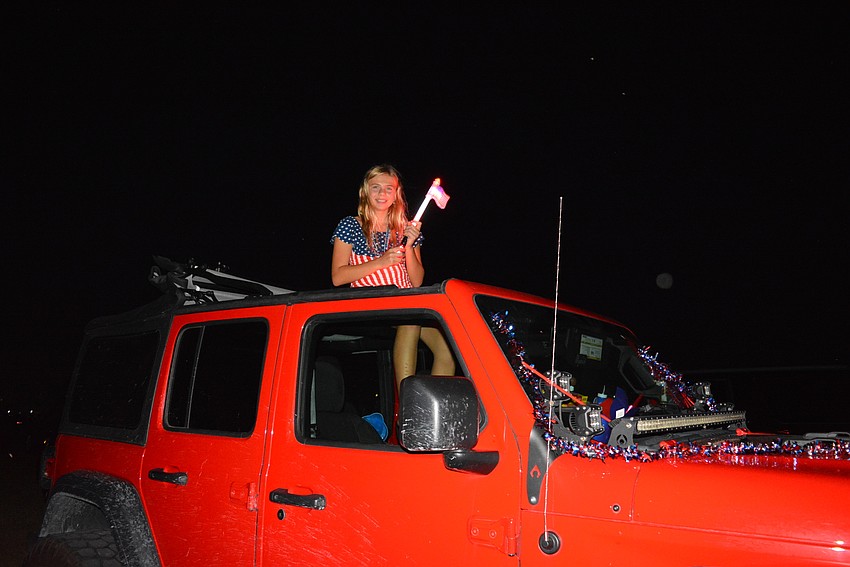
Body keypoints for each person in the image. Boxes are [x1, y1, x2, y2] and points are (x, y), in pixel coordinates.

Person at [331, 164, 455, 388]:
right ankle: (407, 406)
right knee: (409, 321)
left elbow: (416, 281)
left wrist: (408, 245)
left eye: (389, 188)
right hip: (370, 304)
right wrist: (380, 262)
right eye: (376, 187)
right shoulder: (350, 225)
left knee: (447, 348)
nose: (382, 193)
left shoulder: (407, 228)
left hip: (405, 302)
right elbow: (338, 277)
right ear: (365, 191)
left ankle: (430, 411)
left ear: (396, 194)